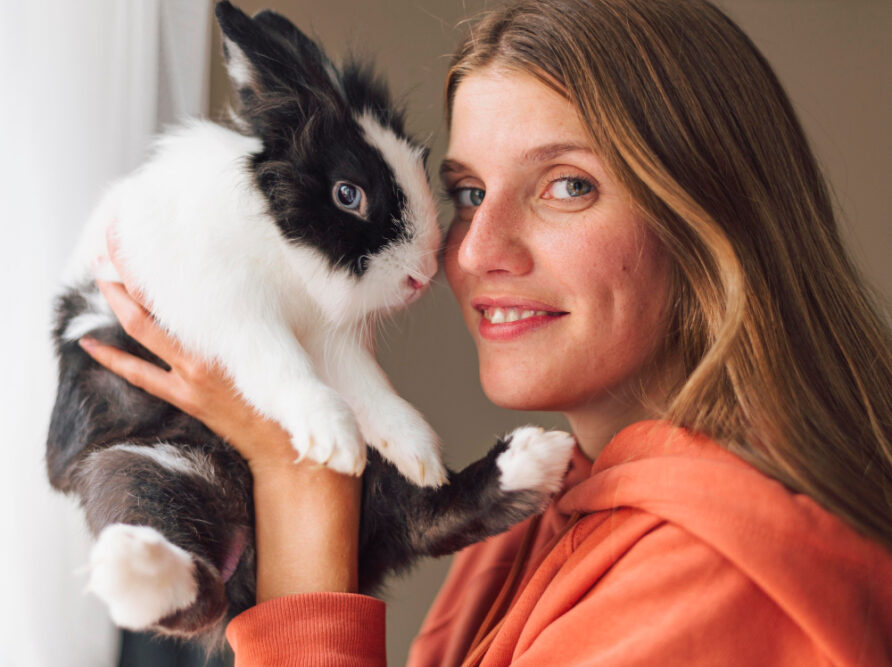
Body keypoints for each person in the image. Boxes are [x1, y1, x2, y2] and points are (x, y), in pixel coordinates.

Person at [79, 0, 892, 664]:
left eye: (566, 185)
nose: (474, 251)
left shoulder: (720, 579)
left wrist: (299, 471)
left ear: (708, 215)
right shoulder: (539, 526)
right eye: (467, 191)